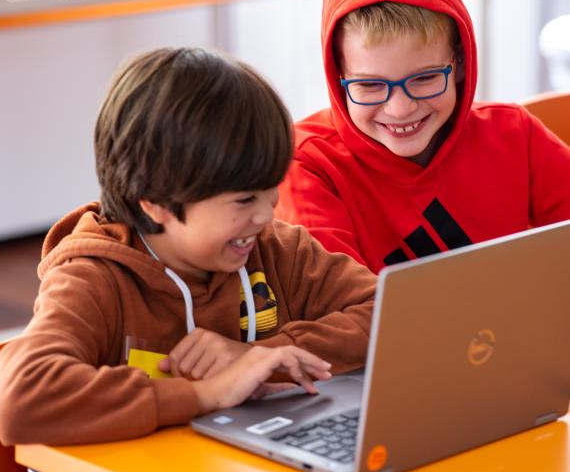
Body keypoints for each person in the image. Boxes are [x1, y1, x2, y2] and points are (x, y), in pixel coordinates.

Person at [0, 47, 376, 446]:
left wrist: (263, 356)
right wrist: (203, 395)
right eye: (245, 200)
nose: (267, 214)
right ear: (157, 202)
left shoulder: (278, 249)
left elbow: (388, 313)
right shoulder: (93, 278)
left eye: (272, 190)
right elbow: (20, 398)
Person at [276, 0, 570, 273]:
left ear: (458, 62)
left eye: (425, 78)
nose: (400, 108)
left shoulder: (515, 135)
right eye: (370, 85)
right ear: (337, 76)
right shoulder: (307, 166)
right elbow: (336, 311)